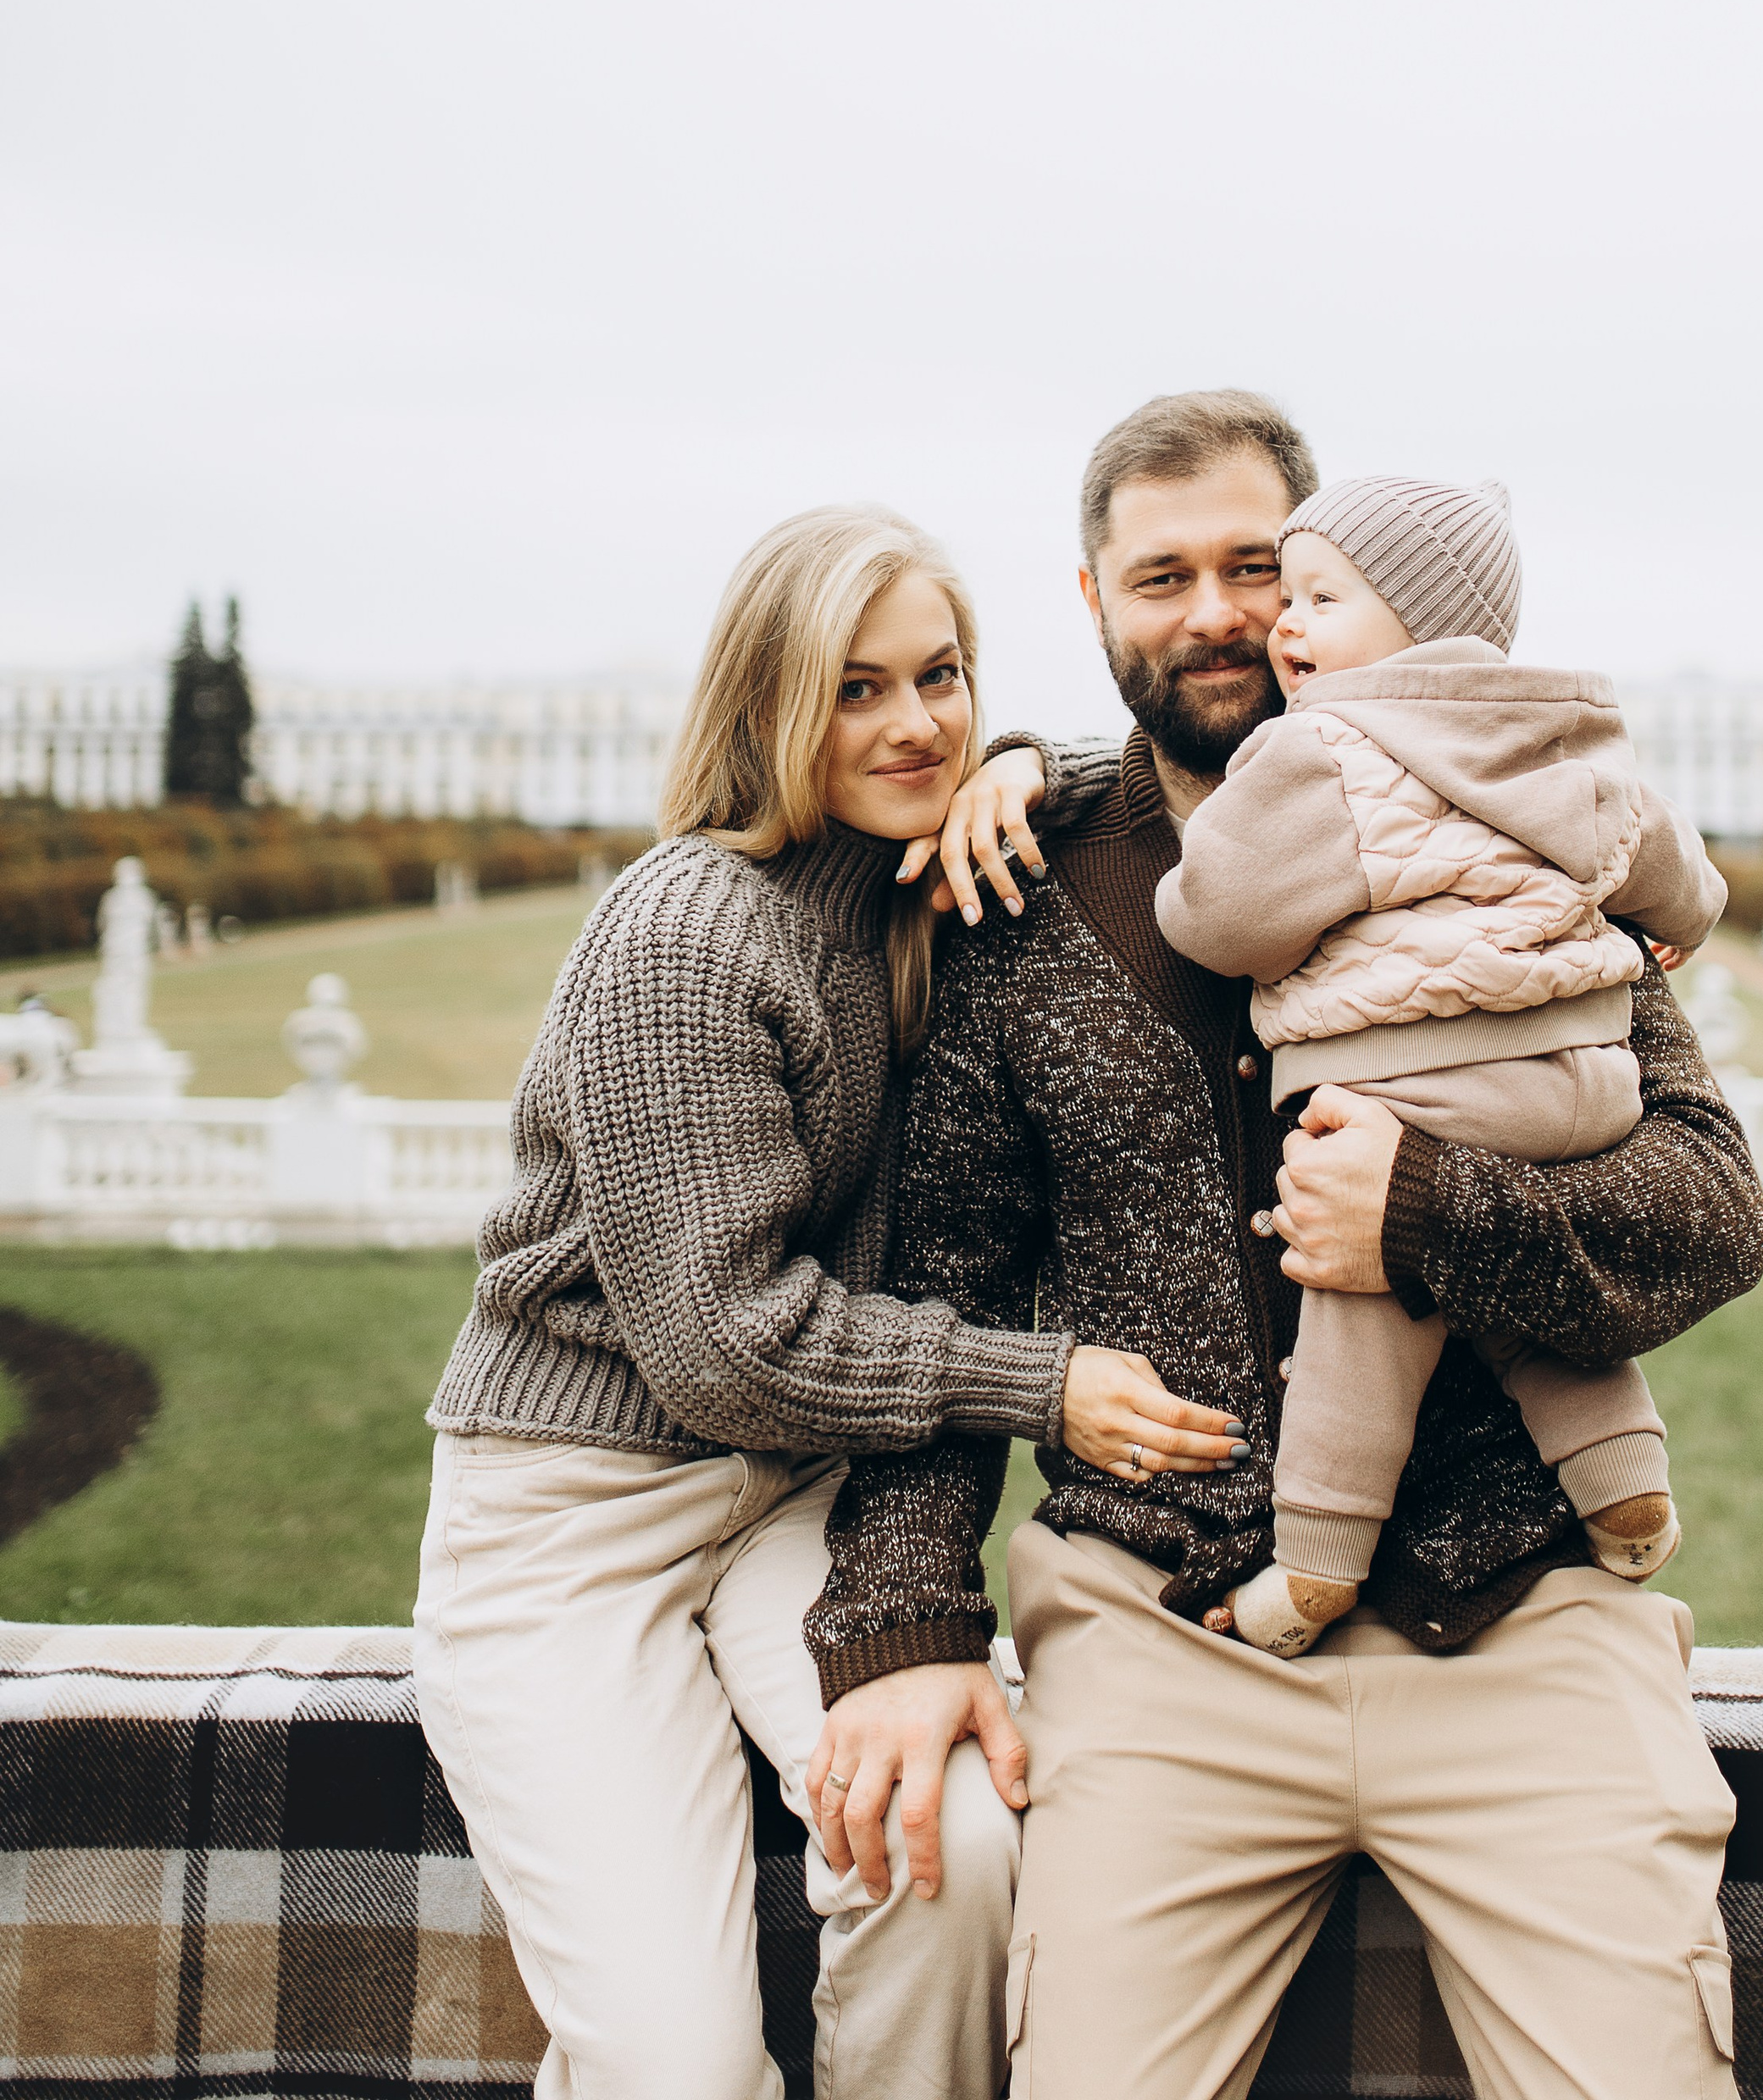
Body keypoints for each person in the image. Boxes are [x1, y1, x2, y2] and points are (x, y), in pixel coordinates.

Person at [805, 393, 1763, 2100]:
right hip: (1159, 1643)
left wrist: (1425, 1212)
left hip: (1518, 1624)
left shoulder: (1531, 819)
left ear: (1322, 572)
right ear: (1091, 598)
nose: (1214, 613)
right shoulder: (1015, 892)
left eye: (1255, 564)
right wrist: (901, 1625)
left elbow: (1706, 1210)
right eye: (1157, 573)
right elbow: (938, 1293)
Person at [412, 501, 1241, 2100]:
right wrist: (1043, 1382)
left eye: (942, 676)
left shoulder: (917, 880)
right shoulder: (683, 934)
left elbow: (1121, 770)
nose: (914, 721)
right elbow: (727, 1348)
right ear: (771, 704)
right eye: (857, 688)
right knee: (681, 2062)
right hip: (572, 1530)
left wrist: (1027, 768)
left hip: (795, 1501)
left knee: (958, 1853)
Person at [1155, 472, 1727, 1658]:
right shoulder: (1559, 728)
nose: (1284, 624)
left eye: (1318, 596)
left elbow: (1223, 919)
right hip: (1582, 1077)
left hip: (1430, 1071)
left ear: (1415, 621)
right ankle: (1627, 1487)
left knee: (1364, 1300)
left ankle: (1313, 1560)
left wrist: (1189, 869)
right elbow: (1667, 858)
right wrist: (1685, 915)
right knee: (1502, 1285)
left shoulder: (1324, 749)